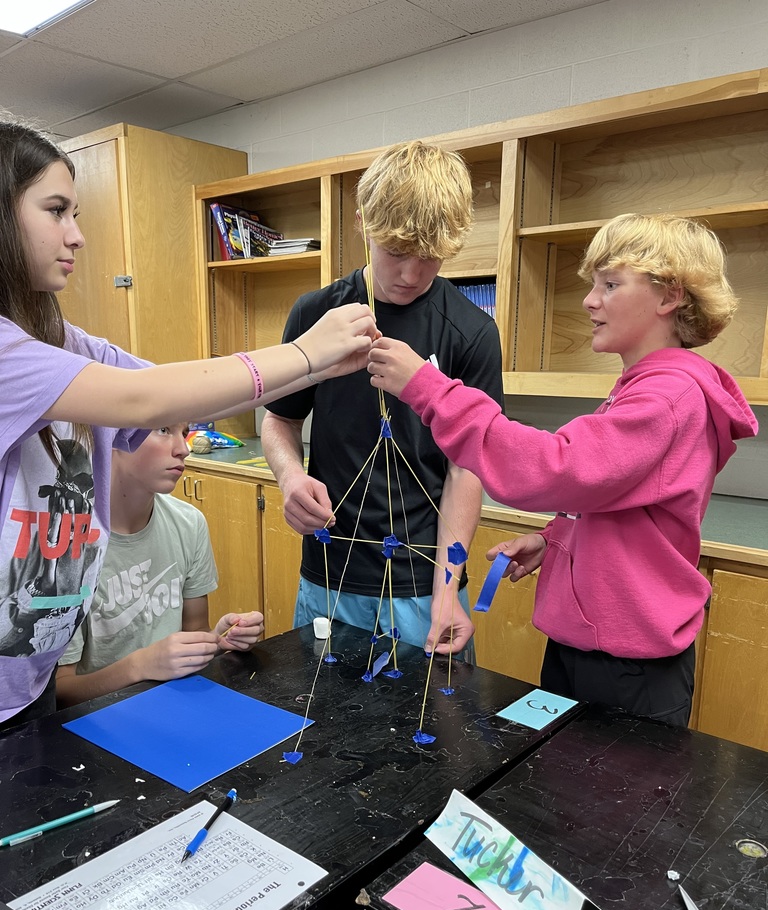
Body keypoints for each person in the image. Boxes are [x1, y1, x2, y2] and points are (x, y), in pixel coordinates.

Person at [0, 118, 377, 728]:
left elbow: (176, 393)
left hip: (30, 686)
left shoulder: (56, 337)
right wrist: (307, 353)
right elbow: (143, 399)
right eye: (56, 210)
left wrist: (319, 368)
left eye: (76, 213)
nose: (77, 235)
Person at [367, 212, 759, 726]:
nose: (590, 301)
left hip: (626, 668)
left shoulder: (667, 397)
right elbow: (611, 500)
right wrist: (556, 539)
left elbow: (556, 469)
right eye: (594, 285)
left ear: (669, 296)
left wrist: (428, 388)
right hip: (594, 648)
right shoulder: (646, 387)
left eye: (610, 285)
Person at [261, 141, 504, 657]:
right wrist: (289, 478)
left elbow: (467, 468)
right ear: (363, 224)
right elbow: (280, 419)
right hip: (330, 571)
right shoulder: (316, 314)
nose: (411, 274)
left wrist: (447, 592)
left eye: (430, 256)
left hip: (426, 584)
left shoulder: (471, 332)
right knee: (317, 702)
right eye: (396, 252)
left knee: (430, 707)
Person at [55, 423, 263, 706]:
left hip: (175, 705)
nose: (184, 449)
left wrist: (218, 639)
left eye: (184, 432)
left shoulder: (188, 523)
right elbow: (61, 689)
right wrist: (139, 666)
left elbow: (195, 633)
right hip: (101, 717)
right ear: (112, 437)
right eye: (163, 429)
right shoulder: (66, 546)